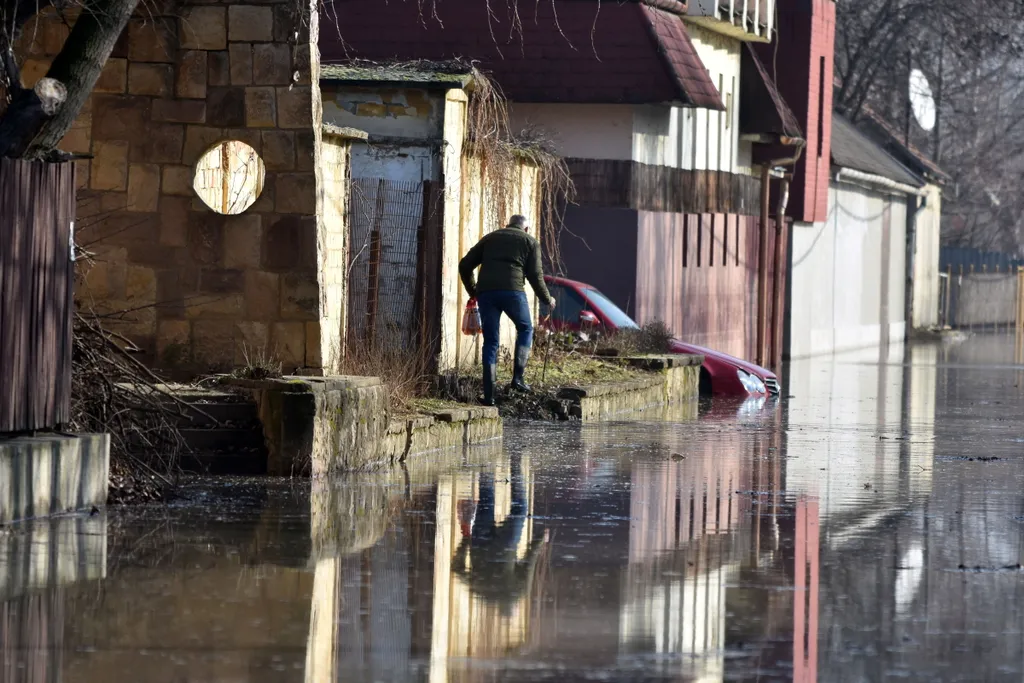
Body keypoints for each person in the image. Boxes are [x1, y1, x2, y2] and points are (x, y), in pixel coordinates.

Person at [459, 214, 555, 406]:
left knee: (491, 341)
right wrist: (547, 299)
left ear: (507, 225)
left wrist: (474, 291)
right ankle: (518, 379)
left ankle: (489, 396)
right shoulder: (530, 241)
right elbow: (535, 275)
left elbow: (464, 265)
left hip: (487, 294)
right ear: (525, 229)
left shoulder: (490, 238)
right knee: (526, 328)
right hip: (513, 293)